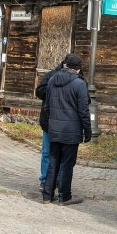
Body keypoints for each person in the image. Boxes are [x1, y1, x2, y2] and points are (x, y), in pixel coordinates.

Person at [42, 53, 92, 206]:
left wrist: (52, 124)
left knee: (53, 161)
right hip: (71, 130)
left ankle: (47, 195)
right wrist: (87, 131)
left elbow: (47, 106)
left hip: (54, 129)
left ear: (65, 65)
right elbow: (83, 110)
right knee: (67, 163)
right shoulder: (79, 84)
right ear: (78, 69)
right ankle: (65, 196)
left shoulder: (52, 80)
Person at [36, 57, 65, 193]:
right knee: (47, 152)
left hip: (66, 124)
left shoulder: (78, 78)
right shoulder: (50, 76)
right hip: (49, 121)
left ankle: (58, 179)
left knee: (61, 153)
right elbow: (39, 92)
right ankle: (44, 180)